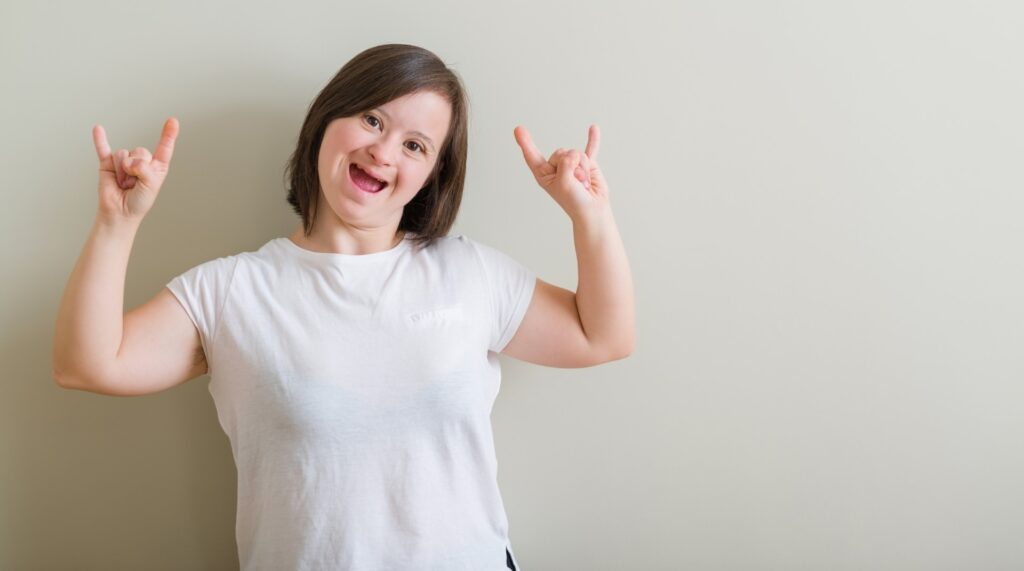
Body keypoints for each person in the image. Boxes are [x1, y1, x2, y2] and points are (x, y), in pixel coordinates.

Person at [52, 44, 635, 570]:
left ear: (431, 175)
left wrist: (590, 214)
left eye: (415, 145)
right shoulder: (232, 290)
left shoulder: (470, 272)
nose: (383, 152)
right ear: (327, 121)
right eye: (372, 119)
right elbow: (88, 364)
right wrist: (116, 224)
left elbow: (602, 337)